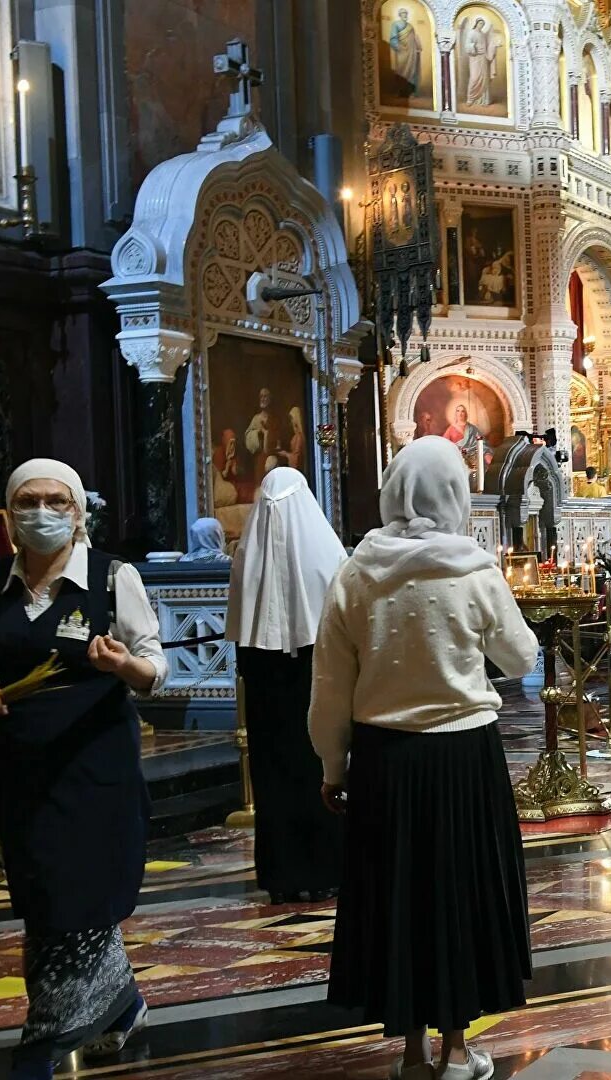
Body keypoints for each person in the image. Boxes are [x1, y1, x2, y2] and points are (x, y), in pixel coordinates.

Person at [309, 437, 540, 1080]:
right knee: (461, 893)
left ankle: (411, 1052)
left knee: (401, 896)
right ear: (457, 495)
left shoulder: (357, 571)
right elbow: (520, 659)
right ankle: (459, 1050)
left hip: (385, 761)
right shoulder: (473, 568)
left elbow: (329, 686)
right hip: (464, 758)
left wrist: (333, 765)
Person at [0, 459, 166, 1079]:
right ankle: (123, 1003)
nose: (42, 512)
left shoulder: (110, 577)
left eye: (56, 501)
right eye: (28, 501)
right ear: (8, 515)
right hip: (19, 767)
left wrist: (124, 665)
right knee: (44, 896)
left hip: (93, 768)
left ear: (78, 515)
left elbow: (157, 669)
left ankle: (43, 1041)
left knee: (78, 897)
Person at [227, 468, 346, 905]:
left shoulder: (246, 553)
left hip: (268, 687)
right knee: (318, 772)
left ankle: (285, 873)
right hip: (314, 678)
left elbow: (243, 629)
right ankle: (326, 868)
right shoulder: (327, 550)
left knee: (278, 778)